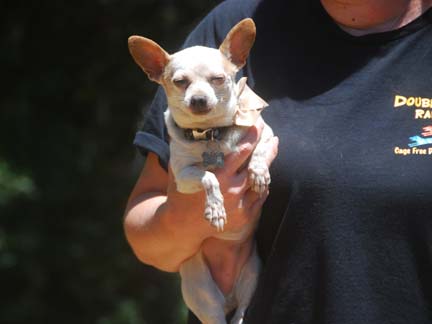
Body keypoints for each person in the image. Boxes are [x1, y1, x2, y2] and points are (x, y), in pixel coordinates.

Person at [124, 0, 432, 323]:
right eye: (183, 83)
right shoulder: (237, 23)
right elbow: (145, 237)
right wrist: (197, 214)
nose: (198, 93)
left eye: (216, 81)